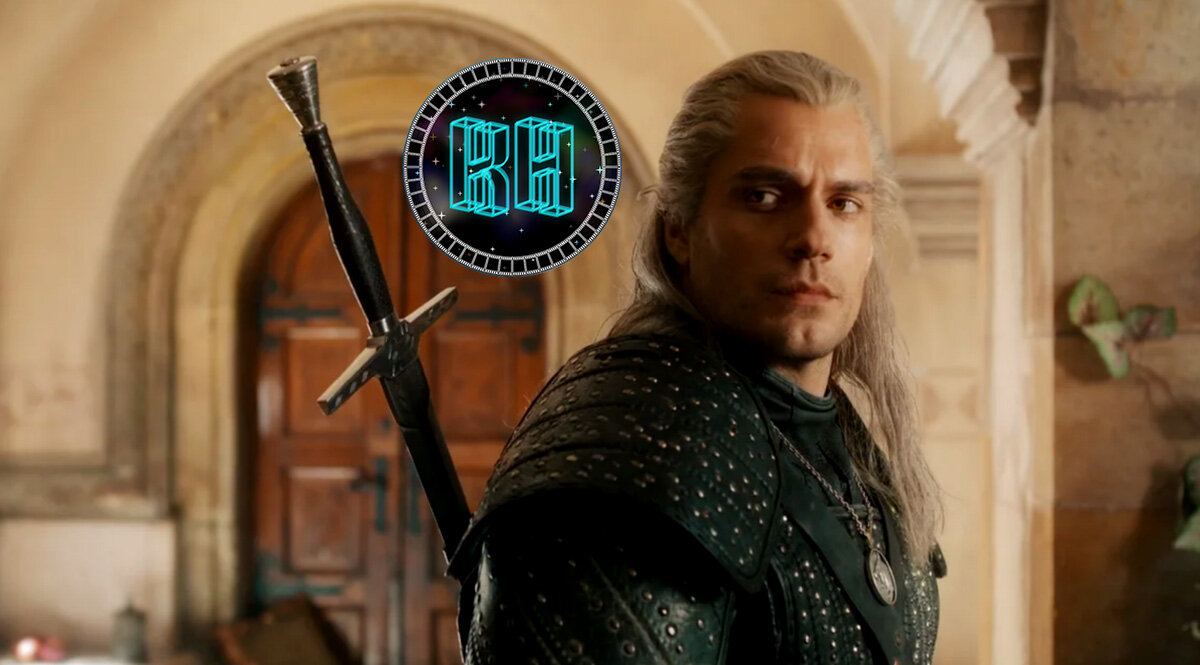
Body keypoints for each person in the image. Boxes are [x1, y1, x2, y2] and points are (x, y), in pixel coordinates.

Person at [446, 50, 947, 665]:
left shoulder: (849, 443)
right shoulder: (636, 445)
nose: (814, 239)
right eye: (765, 196)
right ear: (679, 230)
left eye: (844, 203)